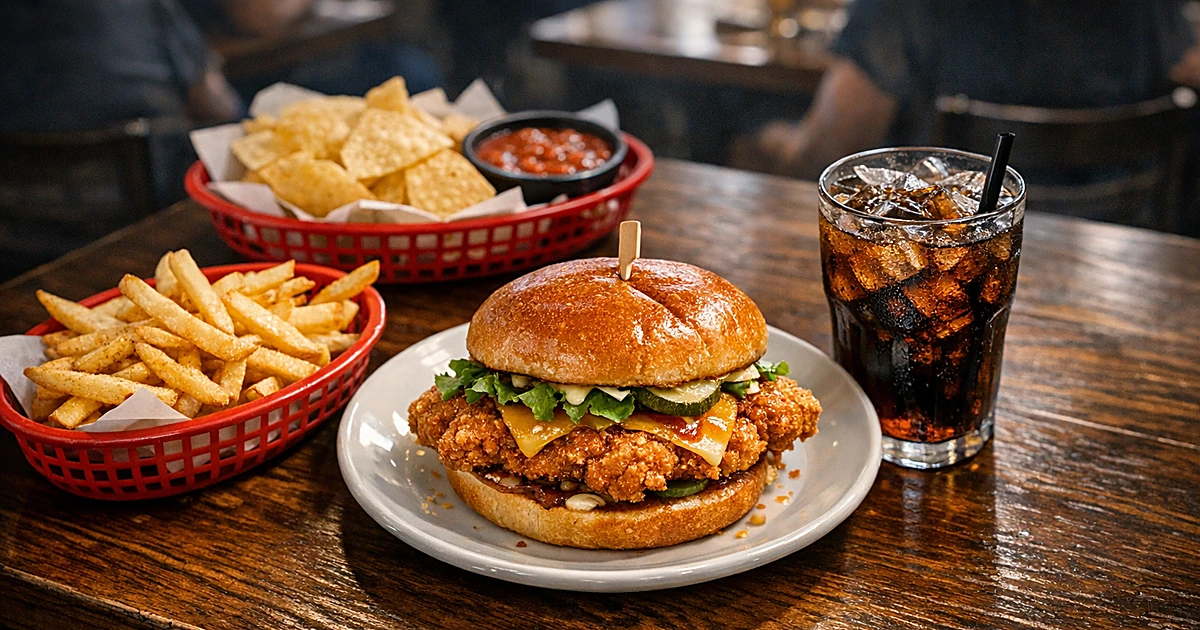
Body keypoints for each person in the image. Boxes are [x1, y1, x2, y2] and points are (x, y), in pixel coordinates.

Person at [733, 0, 1199, 181]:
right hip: (1119, 266)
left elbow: (830, 151)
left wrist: (767, 142)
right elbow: (1185, 65)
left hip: (951, 272)